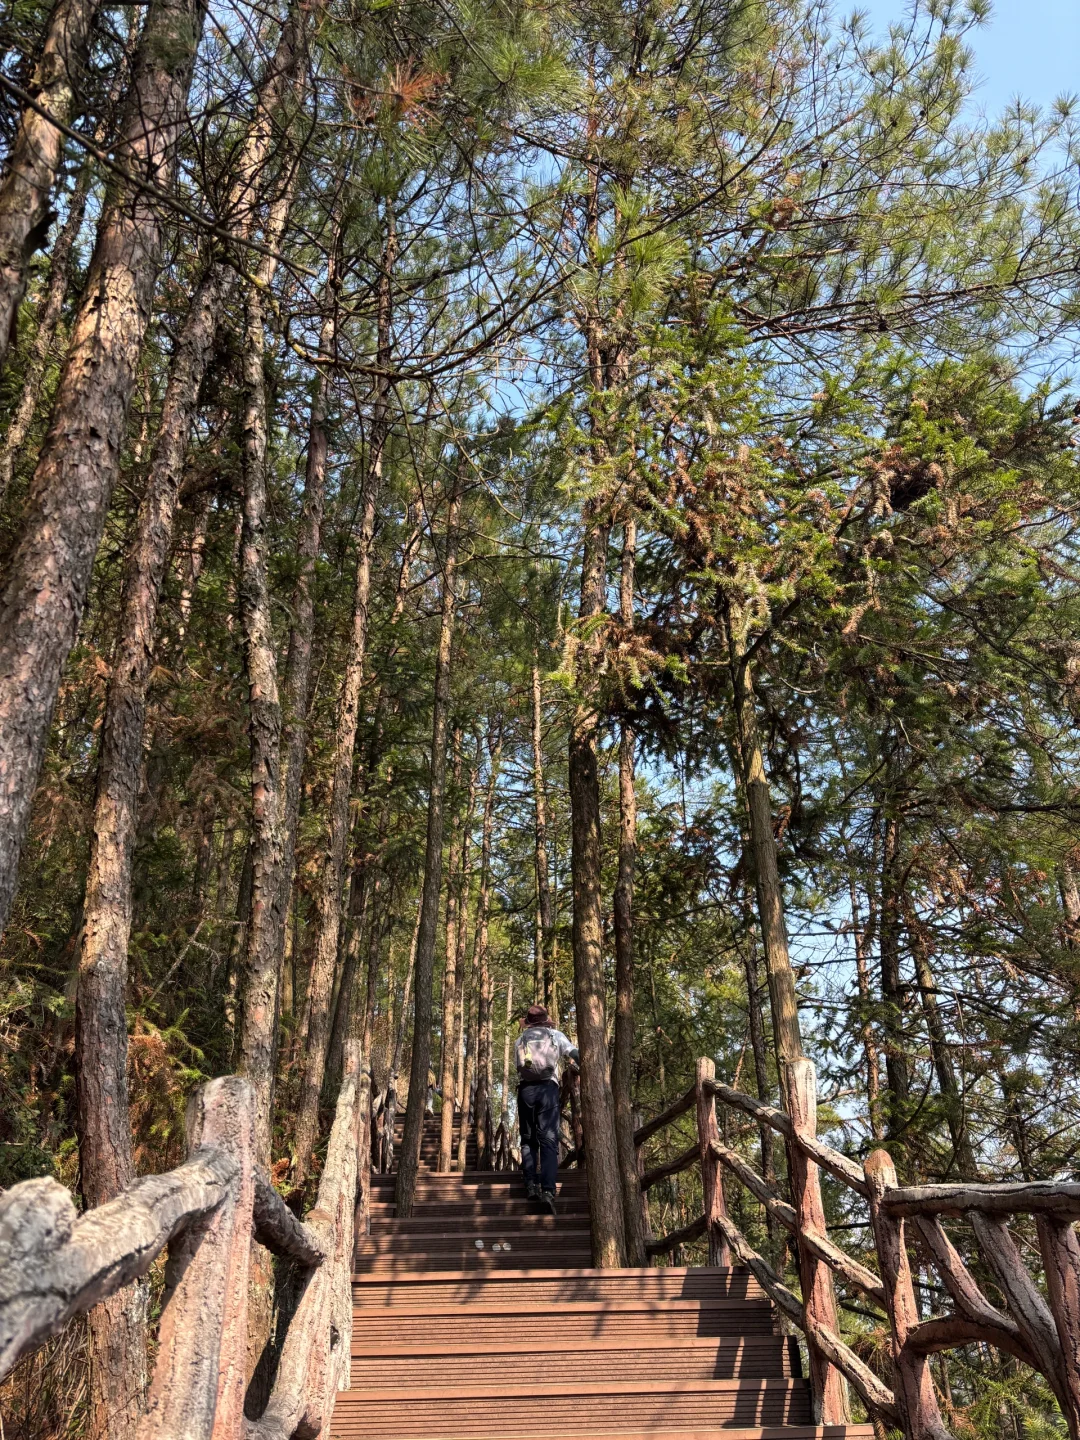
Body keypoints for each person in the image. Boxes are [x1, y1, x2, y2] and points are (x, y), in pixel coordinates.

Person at [514, 1003, 578, 1215]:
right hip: (548, 1089)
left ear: (529, 1022)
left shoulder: (521, 1040)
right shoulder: (555, 1035)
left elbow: (519, 1066)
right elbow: (573, 1053)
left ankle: (531, 1184)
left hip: (526, 1091)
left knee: (528, 1138)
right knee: (549, 1140)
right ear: (545, 1020)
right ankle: (548, 1191)